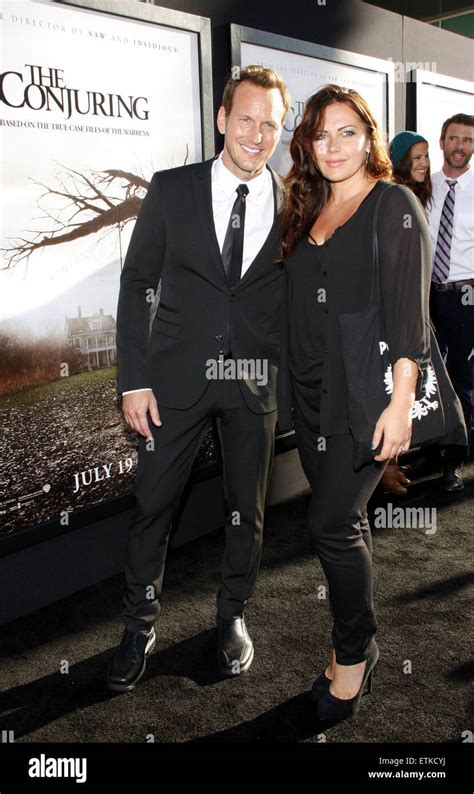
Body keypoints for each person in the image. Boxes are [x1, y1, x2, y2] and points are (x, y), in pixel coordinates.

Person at [107, 65, 291, 691]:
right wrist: (133, 380)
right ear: (221, 119)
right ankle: (138, 623)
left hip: (252, 385)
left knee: (248, 510)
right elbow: (136, 286)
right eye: (245, 118)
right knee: (153, 506)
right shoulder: (171, 189)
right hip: (173, 384)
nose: (256, 133)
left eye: (270, 123)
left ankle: (233, 614)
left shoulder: (296, 202)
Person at [277, 84, 433, 720]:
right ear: (308, 146)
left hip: (365, 399)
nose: (334, 145)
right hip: (311, 395)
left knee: (330, 525)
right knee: (346, 524)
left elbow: (408, 316)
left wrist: (400, 404)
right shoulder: (307, 208)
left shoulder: (393, 205)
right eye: (321, 134)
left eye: (347, 131)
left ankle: (353, 654)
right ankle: (355, 641)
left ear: (370, 136)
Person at [380, 130, 433, 495]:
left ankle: (392, 465)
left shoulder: (417, 196)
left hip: (418, 307)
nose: (424, 164)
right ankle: (386, 469)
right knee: (390, 388)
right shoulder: (394, 199)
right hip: (395, 311)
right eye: (416, 158)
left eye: (426, 157)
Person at [428, 113, 474, 492]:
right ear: (441, 142)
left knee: (462, 380)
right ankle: (427, 446)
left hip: (466, 297)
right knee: (426, 378)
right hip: (424, 295)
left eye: (468, 140)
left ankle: (453, 462)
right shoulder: (423, 187)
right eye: (454, 138)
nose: (460, 146)